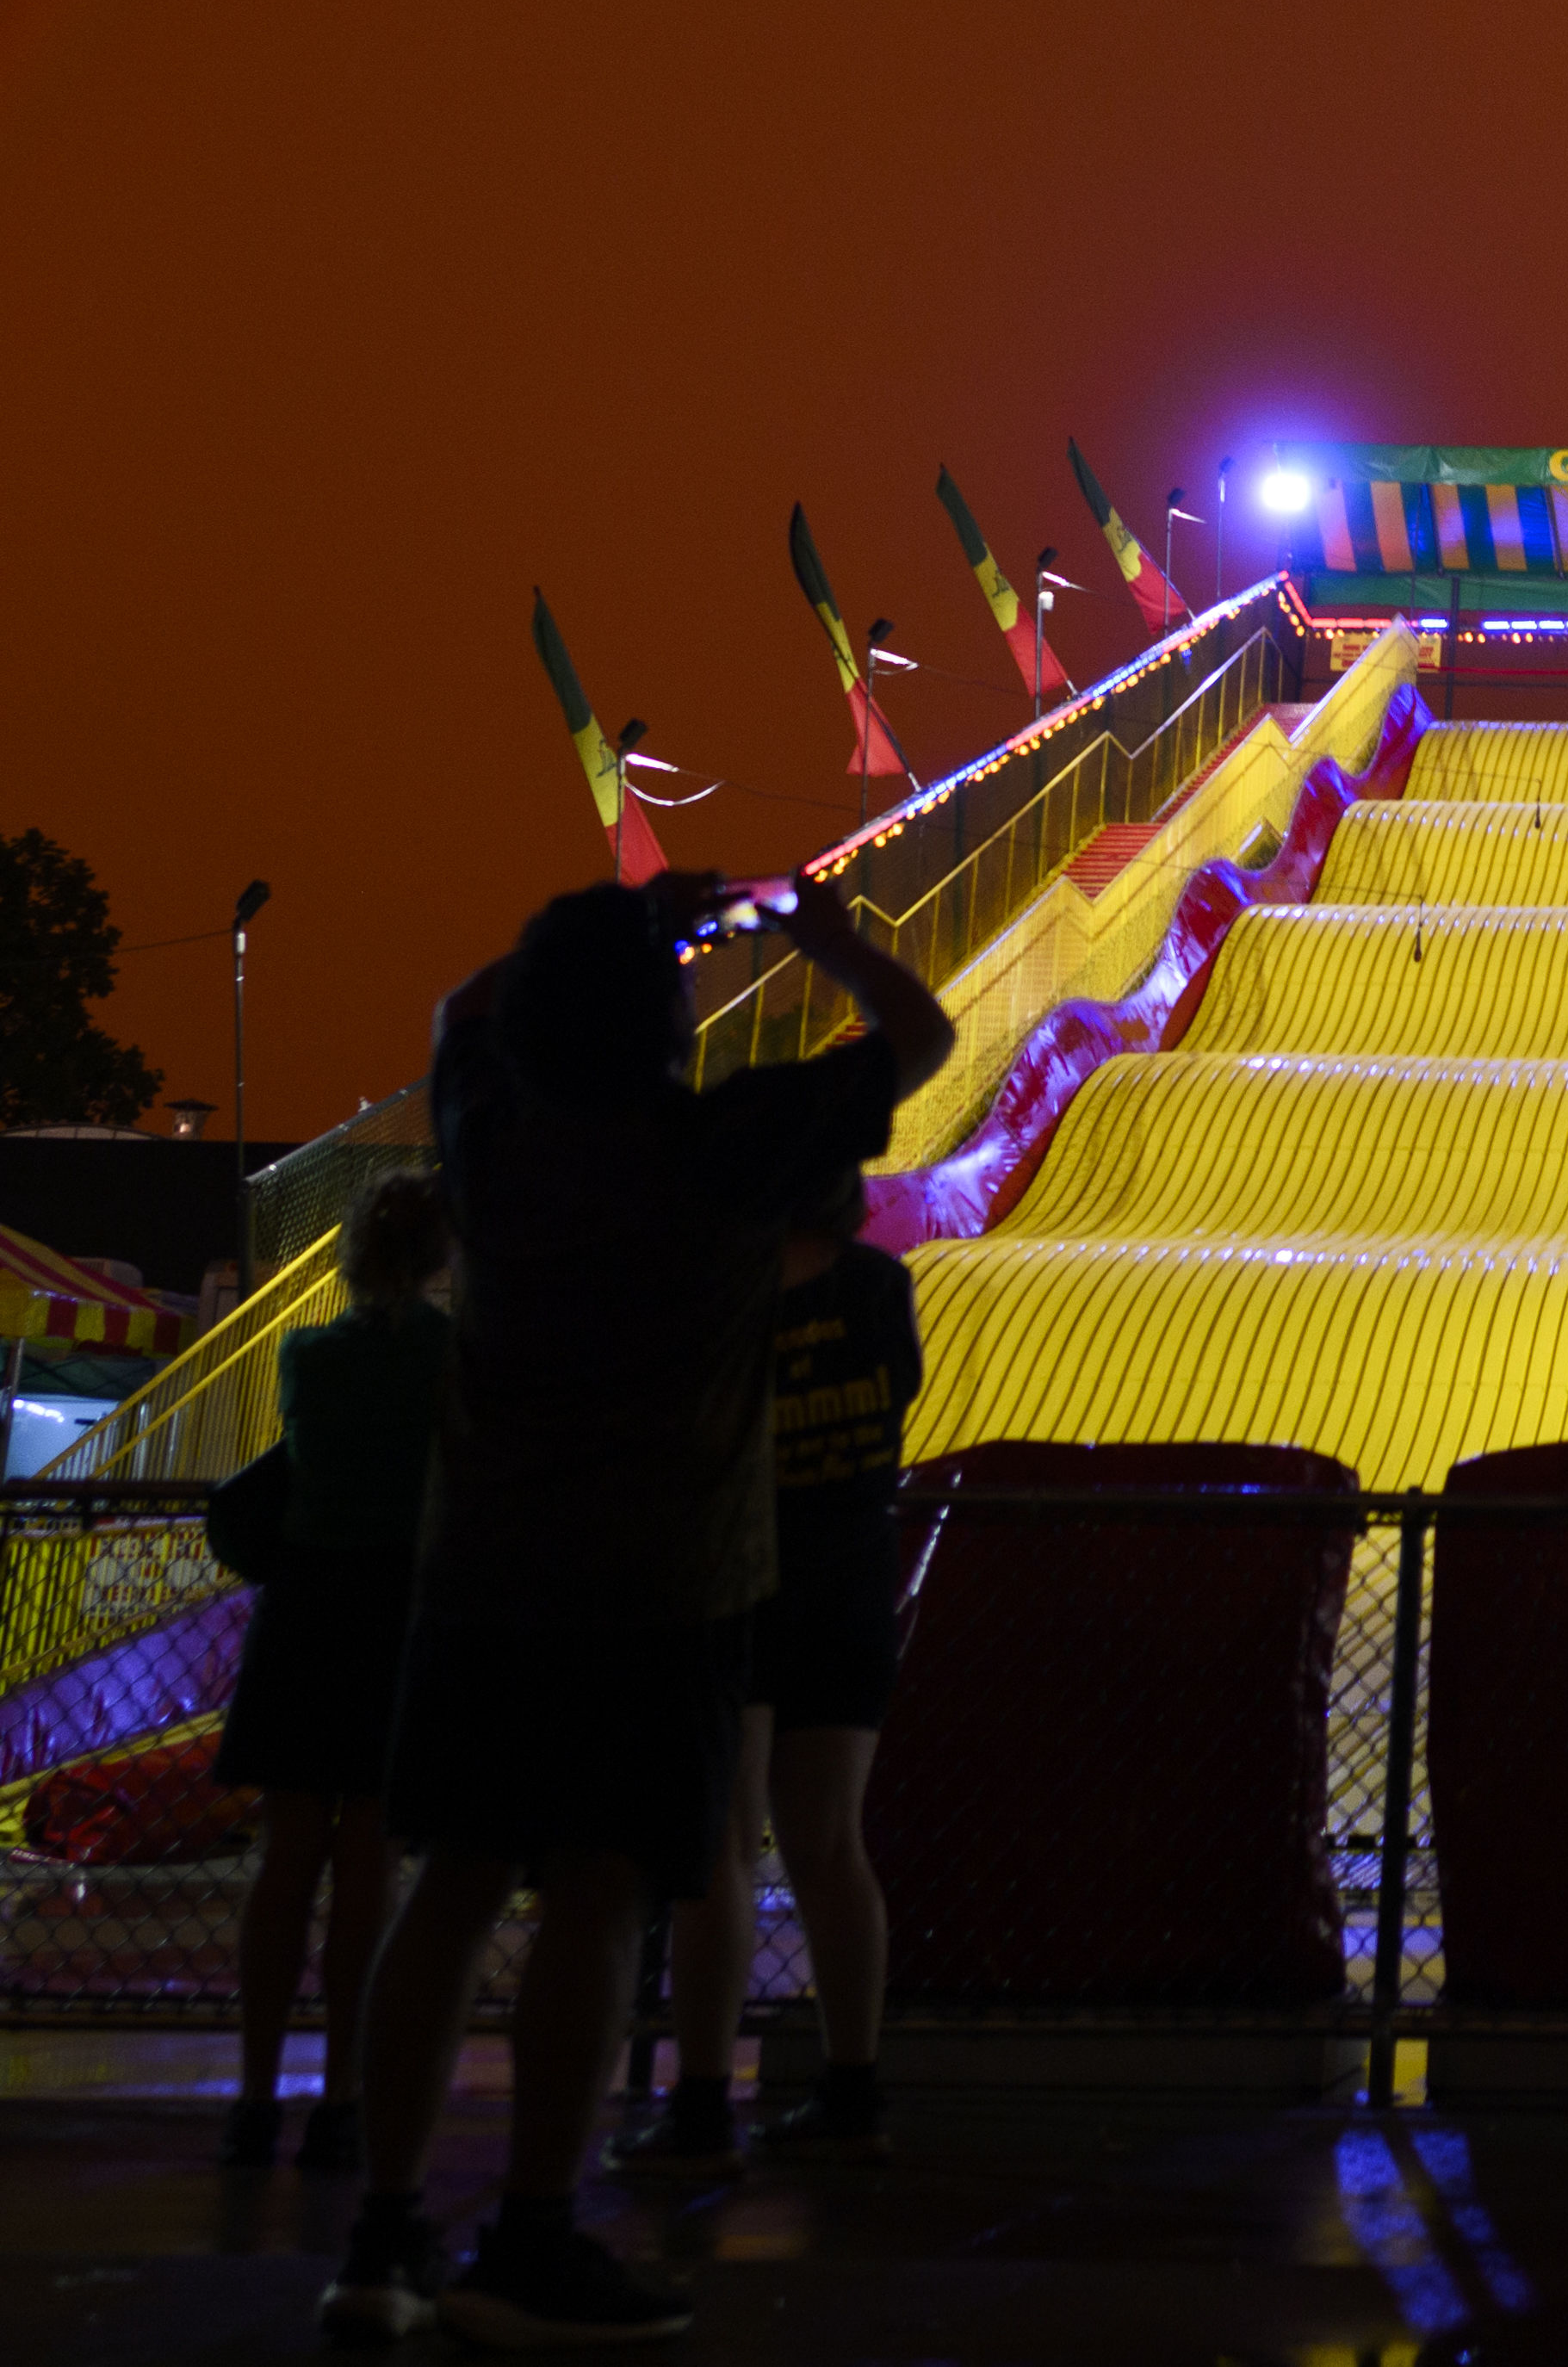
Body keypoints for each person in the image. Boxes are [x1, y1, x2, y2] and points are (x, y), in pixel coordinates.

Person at [323, 874, 947, 2352]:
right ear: (672, 1021)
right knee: (598, 1897)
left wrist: (605, 921)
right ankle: (532, 2233)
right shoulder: (727, 1147)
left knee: (455, 1885)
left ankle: (382, 2232)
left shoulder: (490, 1142)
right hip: (661, 1582)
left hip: (480, 1571)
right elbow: (913, 1039)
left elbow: (457, 1015)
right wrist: (821, 934)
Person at [634, 1168, 920, 2166]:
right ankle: (853, 2087)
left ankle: (705, 2102)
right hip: (847, 1585)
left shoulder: (718, 1294)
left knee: (719, 1850)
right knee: (831, 1848)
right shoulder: (882, 1289)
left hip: (736, 1584)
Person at [221, 1167, 454, 2167]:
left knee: (286, 1859)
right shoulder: (460, 1361)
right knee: (372, 1862)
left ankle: (255, 2089)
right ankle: (345, 2091)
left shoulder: (306, 1355)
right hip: (402, 1612)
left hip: (306, 1606)